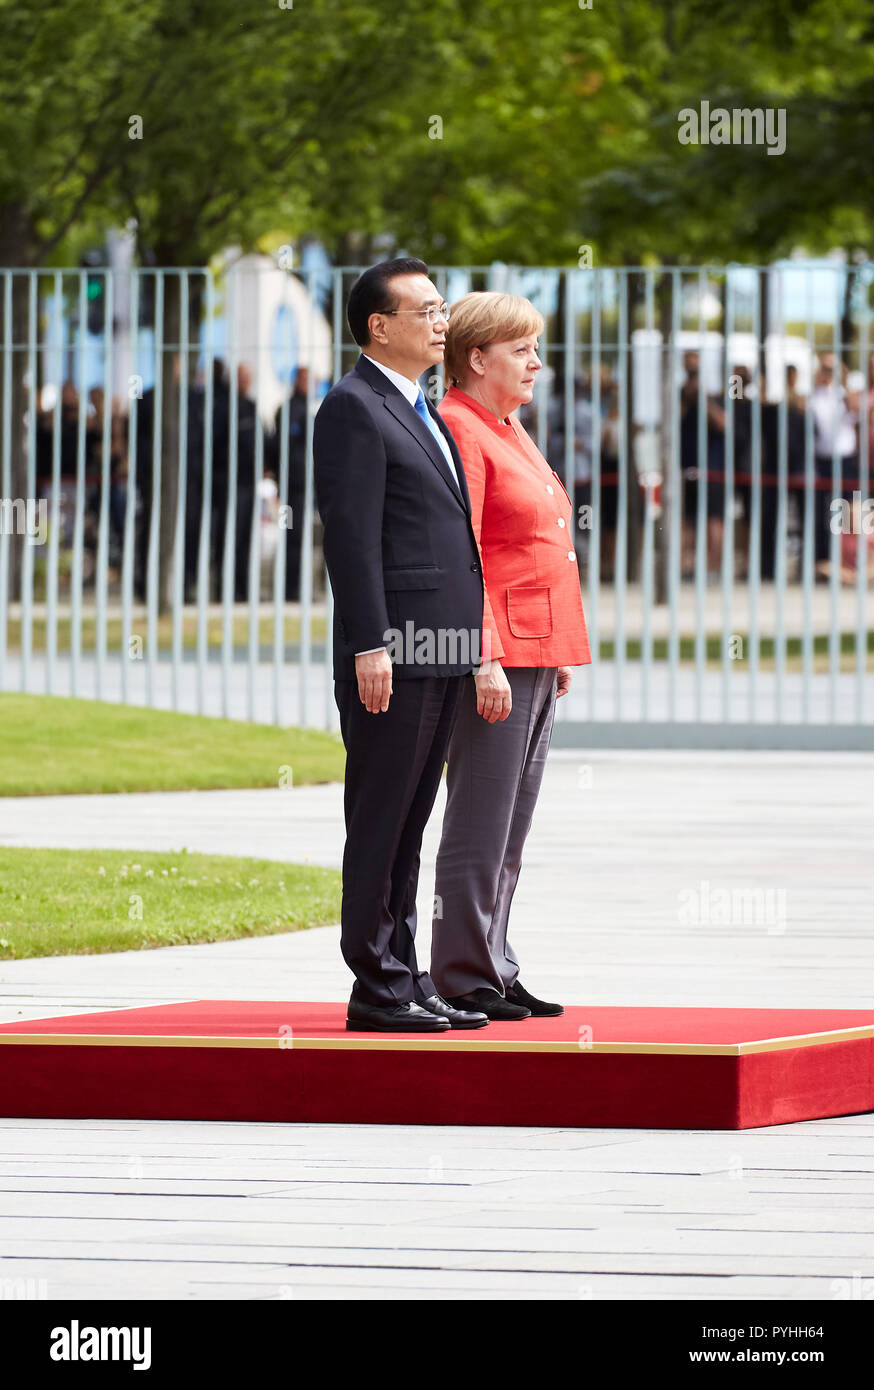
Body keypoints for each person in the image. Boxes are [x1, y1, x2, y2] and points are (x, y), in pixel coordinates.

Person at [313, 257, 489, 1034]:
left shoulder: (420, 406)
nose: (441, 320)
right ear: (379, 326)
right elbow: (351, 539)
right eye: (425, 309)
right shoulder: (353, 407)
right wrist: (370, 644)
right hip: (397, 650)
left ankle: (405, 972)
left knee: (412, 821)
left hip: (443, 643)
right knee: (382, 816)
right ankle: (374, 985)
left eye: (442, 306)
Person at [429, 291, 592, 1021]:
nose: (536, 362)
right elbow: (464, 554)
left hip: (536, 644)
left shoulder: (506, 425)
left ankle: (492, 961)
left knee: (512, 820)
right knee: (481, 818)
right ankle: (461, 970)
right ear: (476, 358)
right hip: (496, 651)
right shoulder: (462, 428)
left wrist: (552, 649)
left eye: (535, 348)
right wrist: (483, 655)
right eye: (521, 349)